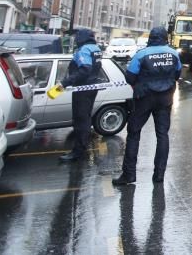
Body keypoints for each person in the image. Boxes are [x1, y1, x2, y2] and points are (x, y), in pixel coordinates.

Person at [112, 26, 182, 186]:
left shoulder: (141, 54)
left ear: (151, 38)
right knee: (162, 134)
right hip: (165, 98)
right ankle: (159, 175)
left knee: (134, 133)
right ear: (165, 38)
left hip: (144, 98)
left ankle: (129, 175)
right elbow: (177, 75)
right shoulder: (173, 54)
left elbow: (130, 77)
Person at [58, 28, 103, 162]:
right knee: (85, 119)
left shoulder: (84, 50)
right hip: (91, 87)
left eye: (77, 36)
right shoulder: (95, 48)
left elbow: (85, 69)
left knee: (80, 120)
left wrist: (65, 83)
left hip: (83, 88)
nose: (75, 39)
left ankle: (78, 152)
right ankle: (81, 148)